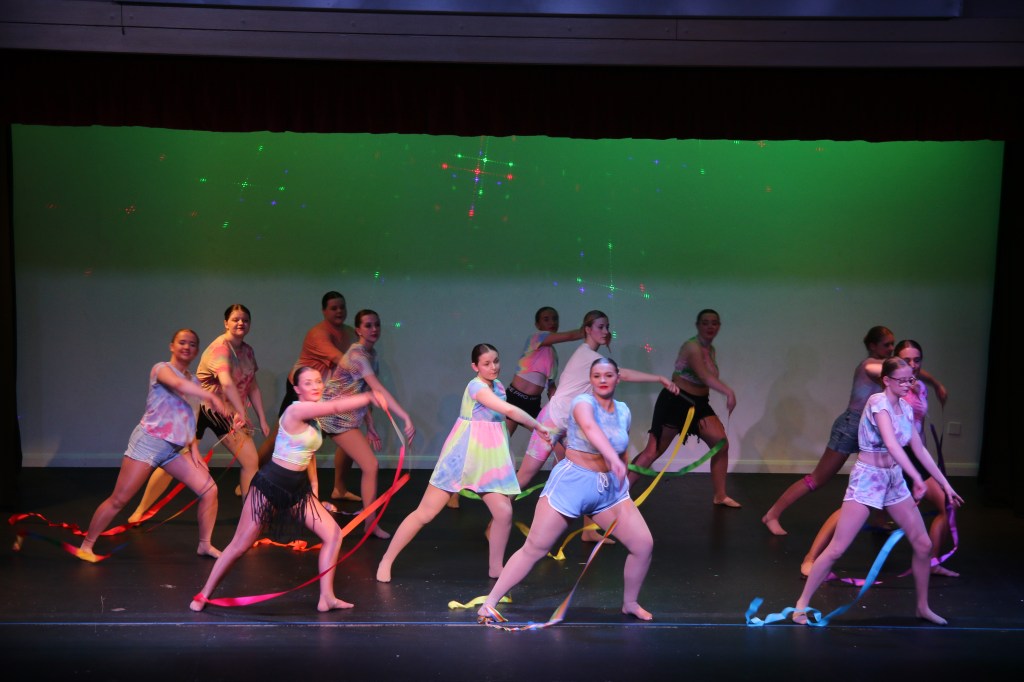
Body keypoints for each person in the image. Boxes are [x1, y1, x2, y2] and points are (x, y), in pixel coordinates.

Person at [189, 367, 384, 613]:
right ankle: (204, 594)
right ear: (297, 389)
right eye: (308, 383)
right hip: (270, 486)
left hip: (297, 490)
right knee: (239, 545)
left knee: (334, 535)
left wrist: (314, 486)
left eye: (318, 381)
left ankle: (327, 598)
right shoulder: (295, 410)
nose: (315, 386)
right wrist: (368, 396)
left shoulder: (314, 415)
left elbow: (307, 452)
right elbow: (335, 406)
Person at [476, 357, 655, 624]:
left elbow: (622, 447)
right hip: (572, 485)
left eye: (608, 375)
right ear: (590, 379)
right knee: (535, 548)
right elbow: (591, 429)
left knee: (643, 544)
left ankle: (630, 603)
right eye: (596, 375)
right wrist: (613, 458)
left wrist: (622, 472)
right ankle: (489, 604)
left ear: (618, 378)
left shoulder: (623, 411)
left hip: (608, 489)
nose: (602, 380)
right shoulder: (582, 403)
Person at [792, 357, 963, 625]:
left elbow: (918, 449)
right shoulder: (877, 403)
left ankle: (922, 607)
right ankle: (801, 605)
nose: (908, 384)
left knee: (923, 544)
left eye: (910, 379)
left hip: (893, 479)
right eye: (902, 380)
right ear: (886, 380)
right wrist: (916, 478)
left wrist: (945, 484)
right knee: (837, 548)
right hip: (868, 479)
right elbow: (892, 444)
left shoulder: (905, 408)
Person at [376, 343, 553, 583]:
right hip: (461, 457)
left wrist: (507, 456)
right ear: (475, 366)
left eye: (496, 361)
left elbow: (499, 424)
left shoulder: (498, 386)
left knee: (503, 513)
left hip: (487, 461)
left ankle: (496, 568)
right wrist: (537, 425)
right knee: (425, 513)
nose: (493, 367)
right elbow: (508, 410)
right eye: (486, 363)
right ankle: (386, 560)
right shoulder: (476, 387)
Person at [514, 310, 679, 543]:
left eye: (607, 327)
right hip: (552, 421)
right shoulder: (586, 355)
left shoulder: (592, 357)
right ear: (587, 330)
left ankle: (589, 531)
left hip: (570, 426)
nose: (605, 331)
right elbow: (622, 374)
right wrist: (659, 379)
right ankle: (496, 522)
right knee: (524, 476)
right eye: (600, 327)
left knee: (591, 472)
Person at [78, 329, 228, 561]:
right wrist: (211, 396)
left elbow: (191, 416)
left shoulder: (194, 381)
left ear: (197, 350)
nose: (187, 347)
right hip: (148, 443)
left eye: (192, 344)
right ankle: (87, 545)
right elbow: (178, 385)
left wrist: (194, 449)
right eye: (182, 342)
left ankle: (205, 545)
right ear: (172, 346)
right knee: (119, 500)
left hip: (173, 450)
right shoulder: (161, 369)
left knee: (210, 490)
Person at [128, 304, 269, 522]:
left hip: (225, 410)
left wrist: (261, 418)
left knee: (251, 461)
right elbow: (226, 383)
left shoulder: (248, 351)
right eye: (235, 319)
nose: (241, 323)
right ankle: (140, 510)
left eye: (245, 320)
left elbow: (253, 386)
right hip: (201, 408)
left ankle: (250, 519)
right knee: (172, 460)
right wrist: (241, 412)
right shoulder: (220, 349)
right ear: (226, 323)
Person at [626, 308, 739, 507]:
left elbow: (706, 380)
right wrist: (728, 392)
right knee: (652, 452)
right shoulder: (692, 347)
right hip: (675, 401)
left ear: (719, 326)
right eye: (705, 322)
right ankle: (619, 496)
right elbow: (704, 376)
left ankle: (720, 495)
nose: (710, 326)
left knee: (721, 444)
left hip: (699, 405)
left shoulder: (711, 350)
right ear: (698, 325)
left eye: (714, 323)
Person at [255, 291, 361, 503]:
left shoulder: (350, 333)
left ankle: (339, 489)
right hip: (303, 389)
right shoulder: (317, 334)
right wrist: (368, 385)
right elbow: (344, 361)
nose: (339, 311)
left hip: (328, 390)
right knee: (278, 436)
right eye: (333, 308)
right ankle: (251, 477)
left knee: (349, 433)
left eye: (342, 307)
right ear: (324, 311)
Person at [320, 309, 415, 539]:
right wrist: (405, 417)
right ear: (358, 330)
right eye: (368, 325)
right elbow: (377, 389)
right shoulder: (358, 356)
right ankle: (369, 524)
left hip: (347, 417)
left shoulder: (372, 355)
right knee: (370, 465)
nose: (374, 329)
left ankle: (366, 520)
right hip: (332, 417)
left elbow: (364, 391)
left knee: (364, 463)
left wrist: (370, 425)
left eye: (377, 324)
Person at [504, 306, 584, 438]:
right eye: (546, 319)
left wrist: (559, 409)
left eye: (555, 319)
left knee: (553, 439)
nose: (552, 322)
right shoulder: (535, 338)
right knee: (502, 441)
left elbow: (550, 387)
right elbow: (571, 335)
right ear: (538, 325)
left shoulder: (553, 355)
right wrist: (589, 330)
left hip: (533, 404)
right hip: (515, 398)